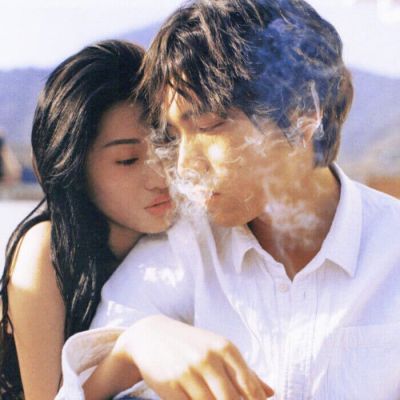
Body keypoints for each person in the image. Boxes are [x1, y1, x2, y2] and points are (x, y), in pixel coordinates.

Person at [57, 1, 400, 399]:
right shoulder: (182, 251)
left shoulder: (391, 248)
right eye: (176, 135)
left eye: (208, 125)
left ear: (304, 112)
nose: (184, 164)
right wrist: (135, 346)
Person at [0, 40, 173, 400]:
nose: (161, 176)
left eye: (167, 145)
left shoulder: (188, 232)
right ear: (75, 168)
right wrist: (127, 355)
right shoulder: (47, 253)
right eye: (128, 160)